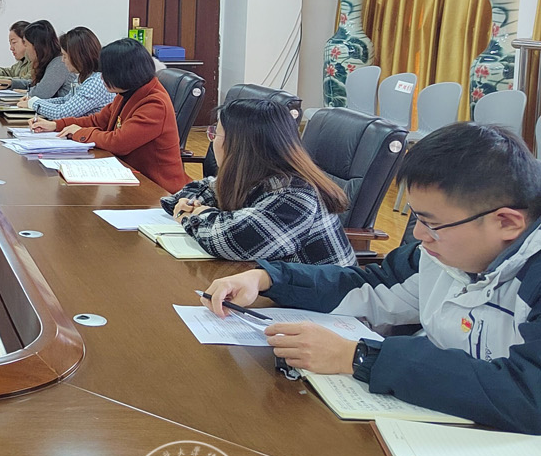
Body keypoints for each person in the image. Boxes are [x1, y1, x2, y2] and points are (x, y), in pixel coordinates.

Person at [204, 122, 541, 433]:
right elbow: (373, 285)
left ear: (507, 223)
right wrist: (268, 278)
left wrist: (358, 357)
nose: (419, 235)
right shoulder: (440, 256)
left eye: (433, 225)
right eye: (417, 219)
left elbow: (528, 393)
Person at [160, 98, 354, 265]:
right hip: (277, 286)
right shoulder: (256, 175)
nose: (212, 140)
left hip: (323, 297)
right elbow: (198, 191)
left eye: (215, 133)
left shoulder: (295, 196)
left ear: (238, 145)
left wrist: (194, 214)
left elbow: (231, 241)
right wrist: (190, 205)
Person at [30, 37, 187, 191]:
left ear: (124, 73)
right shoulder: (126, 93)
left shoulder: (155, 104)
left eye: (106, 72)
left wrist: (79, 133)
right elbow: (97, 120)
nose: (102, 77)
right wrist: (56, 125)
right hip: (129, 175)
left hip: (157, 189)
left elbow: (119, 142)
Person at [17, 26, 111, 120]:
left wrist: (34, 103)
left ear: (77, 57)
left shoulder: (95, 82)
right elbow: (65, 100)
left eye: (65, 56)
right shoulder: (83, 77)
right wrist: (35, 101)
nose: (62, 60)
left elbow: (62, 113)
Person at [18, 19, 74, 100]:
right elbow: (38, 84)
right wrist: (12, 83)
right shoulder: (51, 61)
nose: (25, 50)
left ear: (36, 46)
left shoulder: (59, 63)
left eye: (26, 45)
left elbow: (41, 93)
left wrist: (28, 93)